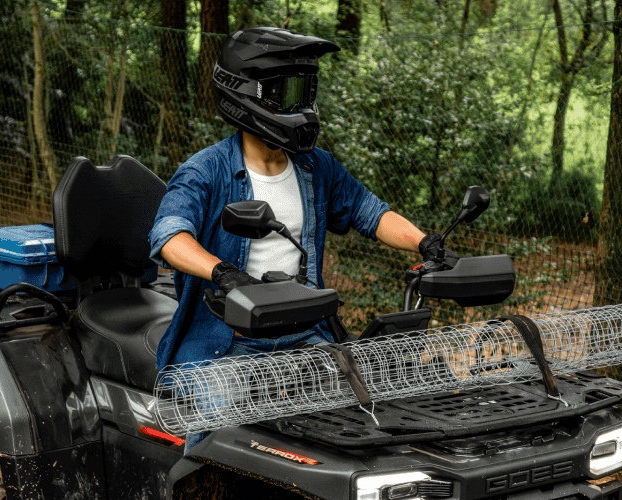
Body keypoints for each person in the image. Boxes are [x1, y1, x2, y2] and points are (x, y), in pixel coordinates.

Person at [148, 27, 457, 386]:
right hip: (225, 343)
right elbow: (169, 236)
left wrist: (424, 243)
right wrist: (222, 273)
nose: (301, 107)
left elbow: (370, 212)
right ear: (247, 93)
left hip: (306, 334)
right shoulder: (206, 170)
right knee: (225, 413)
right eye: (288, 93)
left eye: (307, 92)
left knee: (365, 400)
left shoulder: (317, 167)